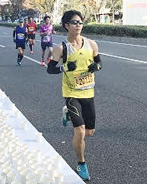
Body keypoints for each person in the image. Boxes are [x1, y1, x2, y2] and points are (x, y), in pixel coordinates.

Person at [47, 10, 102, 181]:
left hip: (88, 92)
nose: (78, 25)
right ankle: (81, 163)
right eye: (74, 22)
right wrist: (64, 68)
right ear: (66, 26)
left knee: (90, 132)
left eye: (80, 22)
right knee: (79, 130)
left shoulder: (91, 44)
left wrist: (96, 67)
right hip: (71, 93)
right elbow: (50, 69)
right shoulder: (61, 48)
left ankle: (67, 113)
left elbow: (99, 62)